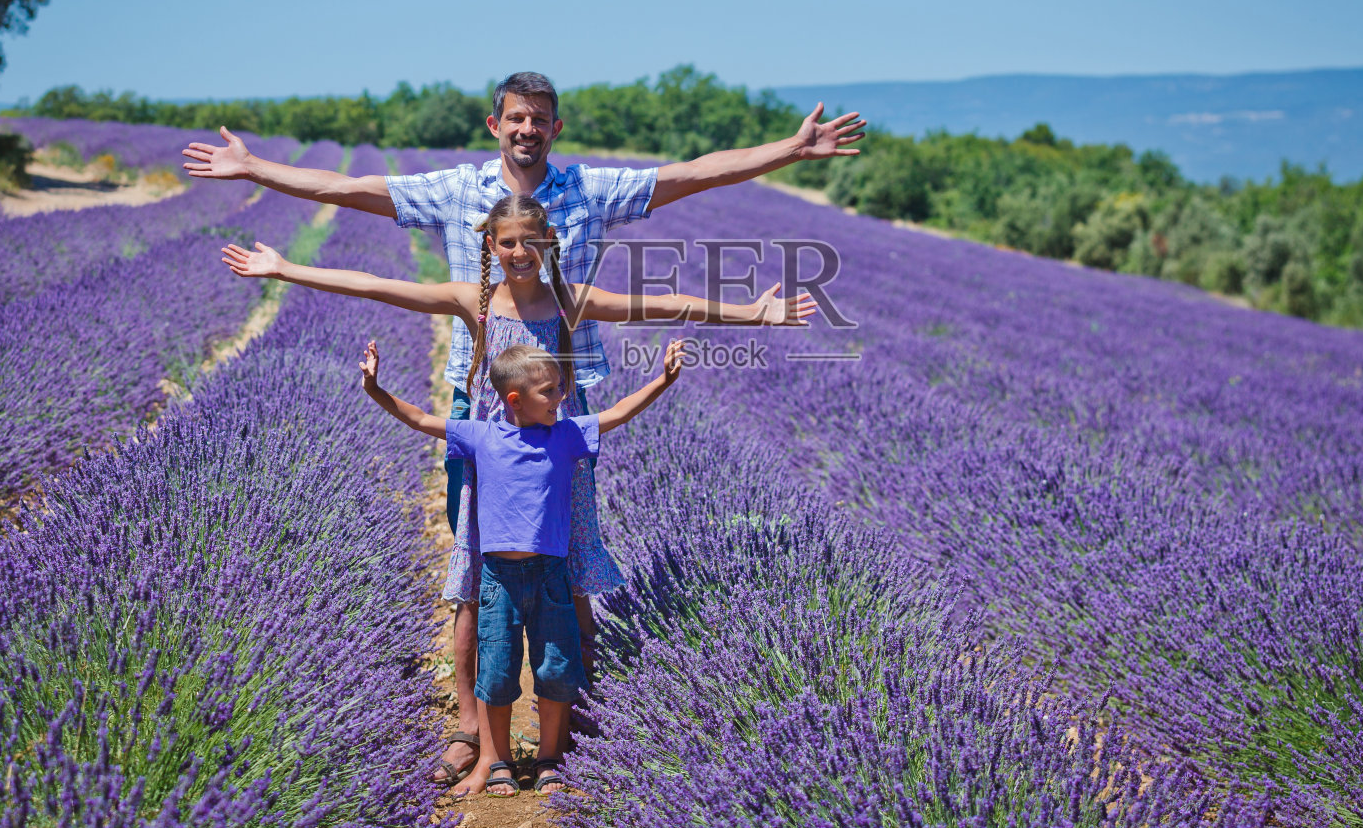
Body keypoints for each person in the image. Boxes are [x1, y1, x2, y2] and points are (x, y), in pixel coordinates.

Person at [187, 69, 864, 779]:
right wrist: (256, 174)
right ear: (495, 124)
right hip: (479, 409)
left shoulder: (586, 194)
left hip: (562, 414)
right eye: (516, 117)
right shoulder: (457, 195)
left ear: (555, 128)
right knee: (478, 573)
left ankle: (574, 722)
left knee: (569, 568)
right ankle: (472, 730)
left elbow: (690, 179)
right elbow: (351, 191)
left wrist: (787, 152)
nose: (527, 128)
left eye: (540, 117)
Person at [357, 337, 686, 797]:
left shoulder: (566, 434)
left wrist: (663, 381)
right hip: (499, 582)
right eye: (550, 391)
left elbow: (619, 413)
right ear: (516, 400)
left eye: (559, 390)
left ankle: (550, 759)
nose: (560, 399)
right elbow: (419, 418)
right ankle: (500, 764)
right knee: (497, 674)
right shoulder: (482, 436)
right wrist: (375, 388)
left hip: (552, 577)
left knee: (555, 669)